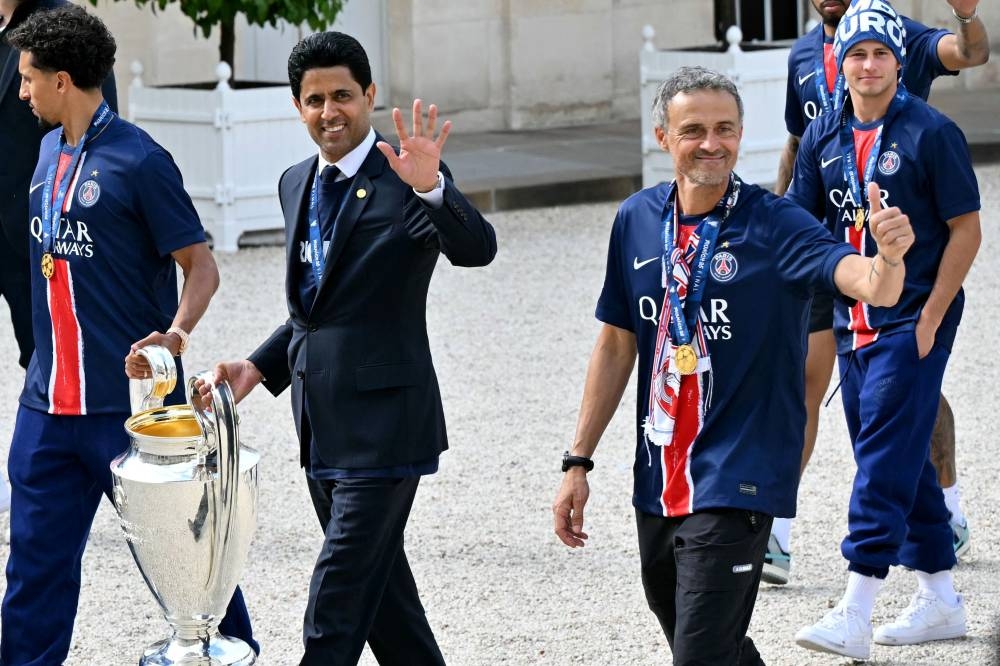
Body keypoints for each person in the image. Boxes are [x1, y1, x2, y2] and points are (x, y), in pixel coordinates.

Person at [551, 64, 915, 665]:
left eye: (726, 128)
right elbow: (618, 342)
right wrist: (577, 461)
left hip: (740, 475)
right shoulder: (637, 219)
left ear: (743, 134)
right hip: (660, 477)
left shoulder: (776, 224)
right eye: (694, 129)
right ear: (663, 137)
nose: (712, 144)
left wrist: (889, 260)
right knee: (713, 647)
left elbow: (868, 284)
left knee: (697, 655)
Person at [201, 31, 496, 665]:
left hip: (386, 428)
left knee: (333, 606)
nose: (329, 111)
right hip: (320, 425)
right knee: (388, 608)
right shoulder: (293, 183)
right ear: (297, 107)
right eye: (314, 100)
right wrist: (256, 365)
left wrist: (432, 190)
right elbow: (314, 308)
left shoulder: (406, 175)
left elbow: (478, 249)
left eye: (342, 95)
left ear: (369, 96)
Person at [0, 6, 258, 664]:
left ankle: (231, 652)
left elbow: (202, 267)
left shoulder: (141, 160)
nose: (20, 91)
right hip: (47, 409)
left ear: (62, 80)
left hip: (133, 410)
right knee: (32, 575)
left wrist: (175, 334)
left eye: (28, 79)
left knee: (181, 558)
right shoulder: (44, 149)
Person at [765, 0, 989, 586]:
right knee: (855, 421)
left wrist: (932, 317)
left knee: (892, 435)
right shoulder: (812, 92)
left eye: (879, 56)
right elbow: (797, 174)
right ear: (841, 60)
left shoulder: (925, 114)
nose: (868, 64)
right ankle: (936, 588)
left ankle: (861, 586)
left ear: (897, 60)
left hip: (911, 302)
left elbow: (971, 54)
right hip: (840, 282)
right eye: (857, 55)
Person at [0, 0, 118, 517]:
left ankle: (63, 474)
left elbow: (97, 130)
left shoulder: (62, 25)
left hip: (41, 232)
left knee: (45, 356)